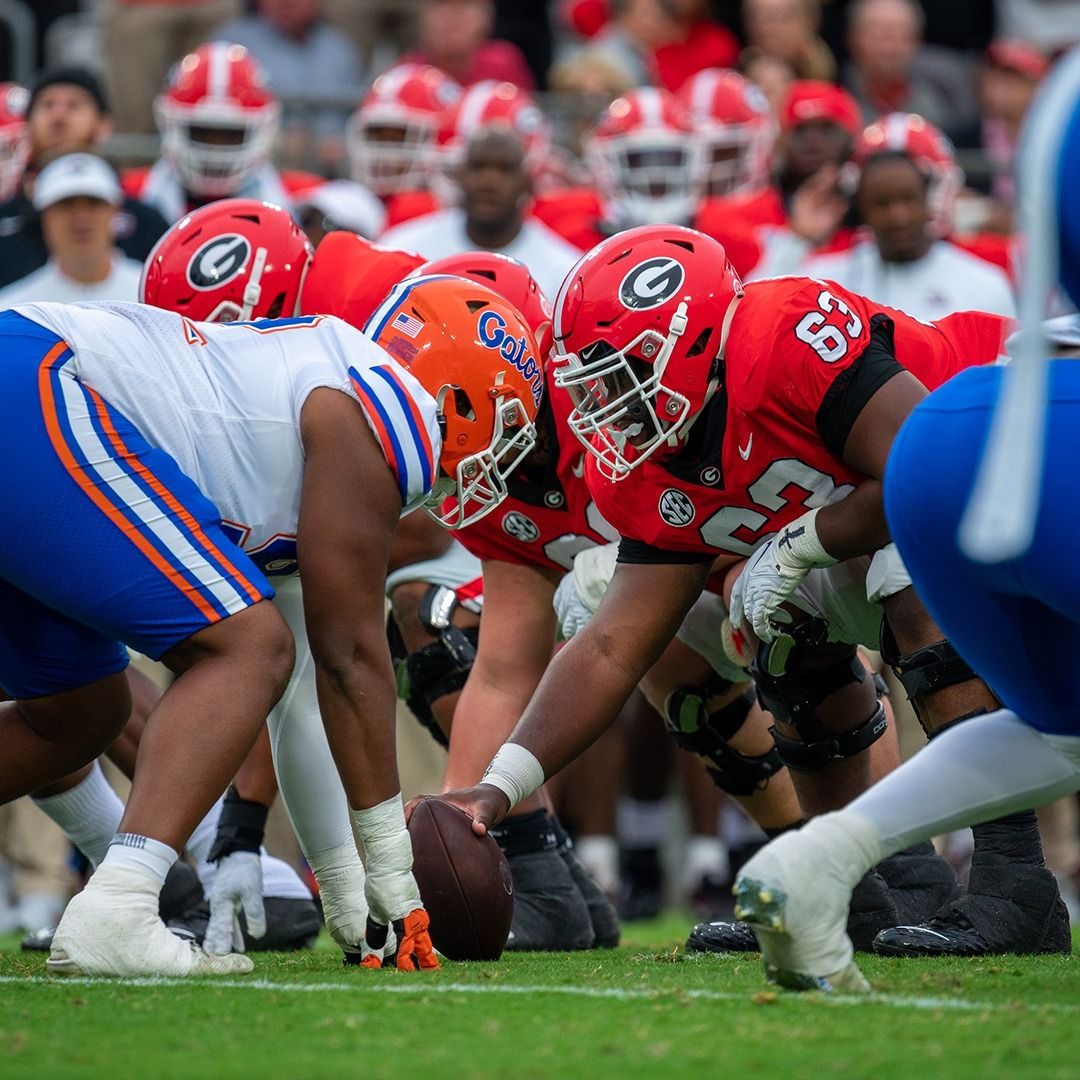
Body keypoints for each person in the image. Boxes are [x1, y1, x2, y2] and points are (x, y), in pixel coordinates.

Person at [433, 223, 1068, 961]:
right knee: (774, 615)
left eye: (618, 374)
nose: (603, 406)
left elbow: (920, 470)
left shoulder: (787, 335)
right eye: (590, 381)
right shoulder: (646, 457)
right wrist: (498, 787)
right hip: (929, 511)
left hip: (1022, 454)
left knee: (902, 569)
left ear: (693, 343)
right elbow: (610, 647)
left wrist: (805, 542)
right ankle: (845, 885)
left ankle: (1015, 885)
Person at [0, 270, 541, 976]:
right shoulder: (384, 405)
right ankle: (120, 907)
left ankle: (124, 898)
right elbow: (347, 655)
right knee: (247, 647)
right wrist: (394, 870)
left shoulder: (317, 406)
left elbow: (302, 697)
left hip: (27, 379)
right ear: (455, 394)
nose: (491, 460)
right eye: (501, 428)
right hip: (36, 385)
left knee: (77, 714)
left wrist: (350, 891)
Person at [731, 46, 1080, 992]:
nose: (889, 215)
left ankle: (870, 858)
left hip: (954, 470)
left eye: (904, 195)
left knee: (1046, 707)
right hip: (934, 474)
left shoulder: (990, 265)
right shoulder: (818, 273)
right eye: (874, 197)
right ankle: (868, 863)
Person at [0, 67, 168, 290]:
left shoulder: (146, 222)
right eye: (47, 105)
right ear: (27, 125)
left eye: (74, 105)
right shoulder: (5, 221)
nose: (59, 116)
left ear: (104, 124)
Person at [803, 146, 1016, 321]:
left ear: (928, 201)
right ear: (863, 210)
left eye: (908, 199)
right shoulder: (825, 282)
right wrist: (797, 239)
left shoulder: (985, 284)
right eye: (881, 203)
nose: (898, 216)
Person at [380, 127, 583, 300]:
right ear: (460, 175)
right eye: (479, 167)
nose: (489, 181)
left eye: (505, 169)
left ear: (527, 182)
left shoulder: (565, 274)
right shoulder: (404, 250)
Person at [123, 43, 318, 224]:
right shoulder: (127, 196)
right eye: (203, 133)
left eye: (231, 135)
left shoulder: (309, 202)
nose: (215, 150)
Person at [694, 80, 862, 279]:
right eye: (800, 130)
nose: (813, 141)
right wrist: (797, 239)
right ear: (780, 140)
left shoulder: (872, 221)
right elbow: (745, 304)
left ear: (852, 140)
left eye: (827, 129)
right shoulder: (730, 219)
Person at [214, 0, 364, 173]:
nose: (287, 2)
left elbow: (357, 118)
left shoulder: (339, 48)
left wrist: (339, 145)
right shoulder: (231, 45)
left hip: (332, 175)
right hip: (255, 170)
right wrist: (279, 143)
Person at [0, 154, 144, 306]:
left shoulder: (150, 298)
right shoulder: (15, 309)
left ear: (115, 210)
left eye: (93, 203)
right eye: (66, 204)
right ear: (44, 215)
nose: (81, 216)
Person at [842, 0, 971, 130]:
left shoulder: (936, 103)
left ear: (917, 41)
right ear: (852, 38)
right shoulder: (838, 97)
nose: (888, 47)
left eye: (899, 34)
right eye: (877, 33)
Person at [400, 0, 535, 91]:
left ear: (486, 20)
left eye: (462, 10)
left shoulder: (503, 64)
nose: (451, 20)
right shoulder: (407, 72)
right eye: (441, 7)